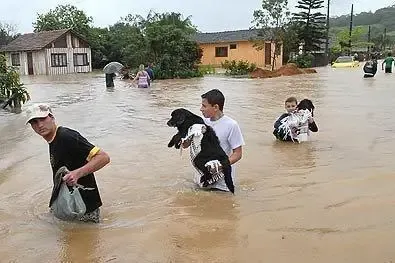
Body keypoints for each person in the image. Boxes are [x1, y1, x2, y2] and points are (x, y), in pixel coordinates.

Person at [26, 103, 110, 223]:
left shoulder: (67, 136)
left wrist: (76, 174)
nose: (39, 125)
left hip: (84, 209)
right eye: (34, 122)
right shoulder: (53, 140)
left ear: (52, 117)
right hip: (69, 206)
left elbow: (103, 157)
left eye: (43, 119)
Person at [183, 89, 245, 192]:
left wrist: (220, 166)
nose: (201, 109)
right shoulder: (201, 123)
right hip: (201, 179)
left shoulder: (231, 125)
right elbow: (187, 145)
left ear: (216, 107)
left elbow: (238, 154)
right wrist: (184, 141)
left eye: (204, 106)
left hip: (221, 185)